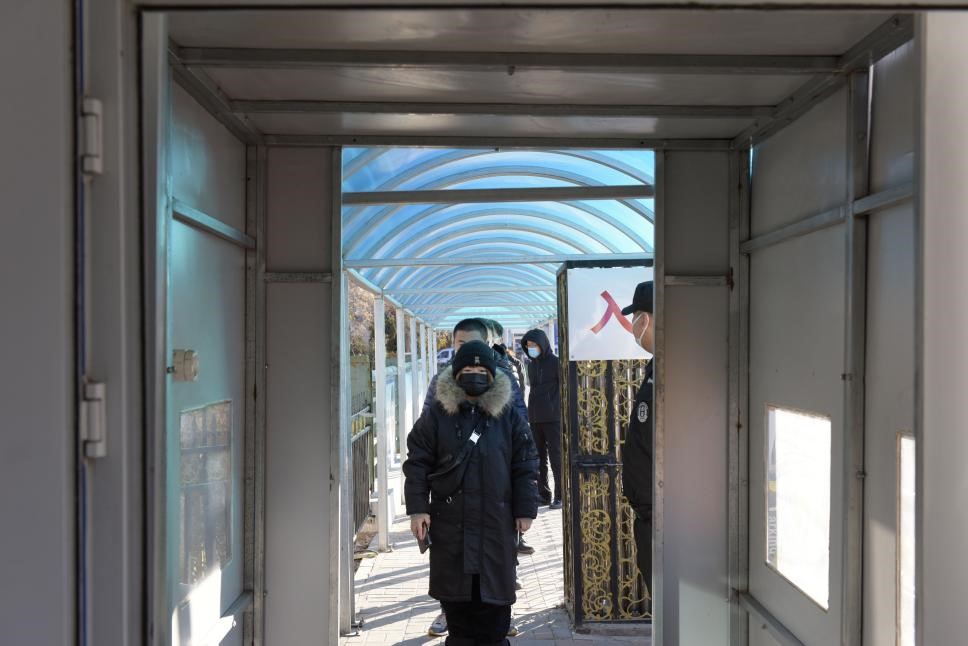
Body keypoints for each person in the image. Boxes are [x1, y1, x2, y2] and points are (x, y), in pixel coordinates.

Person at [404, 341, 539, 646]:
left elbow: (525, 462)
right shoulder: (437, 415)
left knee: (495, 622)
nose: (474, 373)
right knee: (460, 623)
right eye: (467, 368)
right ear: (455, 374)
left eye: (480, 369)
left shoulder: (508, 415)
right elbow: (417, 462)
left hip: (496, 527)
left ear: (491, 374)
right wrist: (418, 509)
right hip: (451, 531)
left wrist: (525, 509)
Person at [621, 280, 654, 605]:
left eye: (636, 317)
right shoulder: (658, 367)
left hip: (671, 519)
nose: (633, 325)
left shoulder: (679, 366)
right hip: (654, 516)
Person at [520, 329, 563, 509]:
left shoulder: (556, 362)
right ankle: (543, 494)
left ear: (542, 344)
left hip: (553, 418)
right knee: (538, 458)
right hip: (535, 418)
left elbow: (563, 388)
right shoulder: (531, 365)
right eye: (528, 346)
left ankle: (561, 495)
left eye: (533, 345)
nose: (531, 348)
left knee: (556, 458)